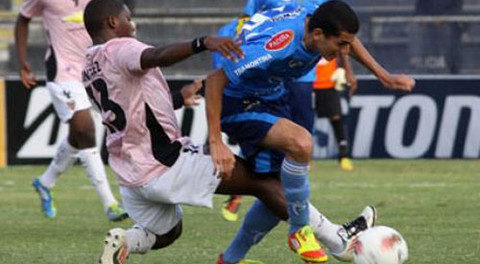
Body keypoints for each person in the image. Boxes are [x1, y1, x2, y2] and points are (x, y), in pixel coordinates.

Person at [84, 2, 376, 264]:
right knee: (266, 183)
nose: (132, 24)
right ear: (112, 22)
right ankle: (337, 239)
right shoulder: (122, 47)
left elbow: (129, 106)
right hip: (165, 162)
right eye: (128, 17)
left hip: (129, 175)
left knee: (168, 231)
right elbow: (158, 55)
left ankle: (125, 241)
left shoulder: (89, 64)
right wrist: (202, 43)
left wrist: (177, 97)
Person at [206, 1, 414, 263]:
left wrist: (384, 75)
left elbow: (347, 37)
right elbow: (214, 81)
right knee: (301, 144)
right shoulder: (274, 47)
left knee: (276, 190)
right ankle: (303, 232)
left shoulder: (318, 14)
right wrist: (216, 141)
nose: (344, 51)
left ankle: (231, 260)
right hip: (236, 101)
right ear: (317, 34)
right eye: (340, 45)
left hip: (272, 95)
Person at [214, 0, 333, 224]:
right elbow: (246, 22)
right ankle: (312, 231)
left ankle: (232, 254)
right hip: (263, 78)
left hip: (297, 80)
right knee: (284, 145)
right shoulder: (274, 35)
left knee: (290, 152)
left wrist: (378, 73)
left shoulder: (320, 10)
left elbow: (341, 34)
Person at [14, 0, 127, 221]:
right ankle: (110, 204)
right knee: (86, 130)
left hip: (93, 69)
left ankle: (45, 183)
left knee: (78, 136)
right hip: (62, 72)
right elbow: (22, 19)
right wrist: (22, 62)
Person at [312, 54, 356, 172]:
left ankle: (344, 157)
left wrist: (346, 71)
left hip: (328, 81)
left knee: (336, 118)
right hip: (306, 82)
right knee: (304, 119)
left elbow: (342, 51)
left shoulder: (332, 36)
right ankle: (305, 159)